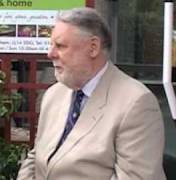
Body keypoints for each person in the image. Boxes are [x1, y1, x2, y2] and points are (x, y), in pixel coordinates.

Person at [17, 7, 166, 180]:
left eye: (60, 46)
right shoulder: (53, 94)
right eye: (51, 45)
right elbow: (36, 158)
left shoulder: (136, 103)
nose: (50, 54)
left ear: (93, 48)